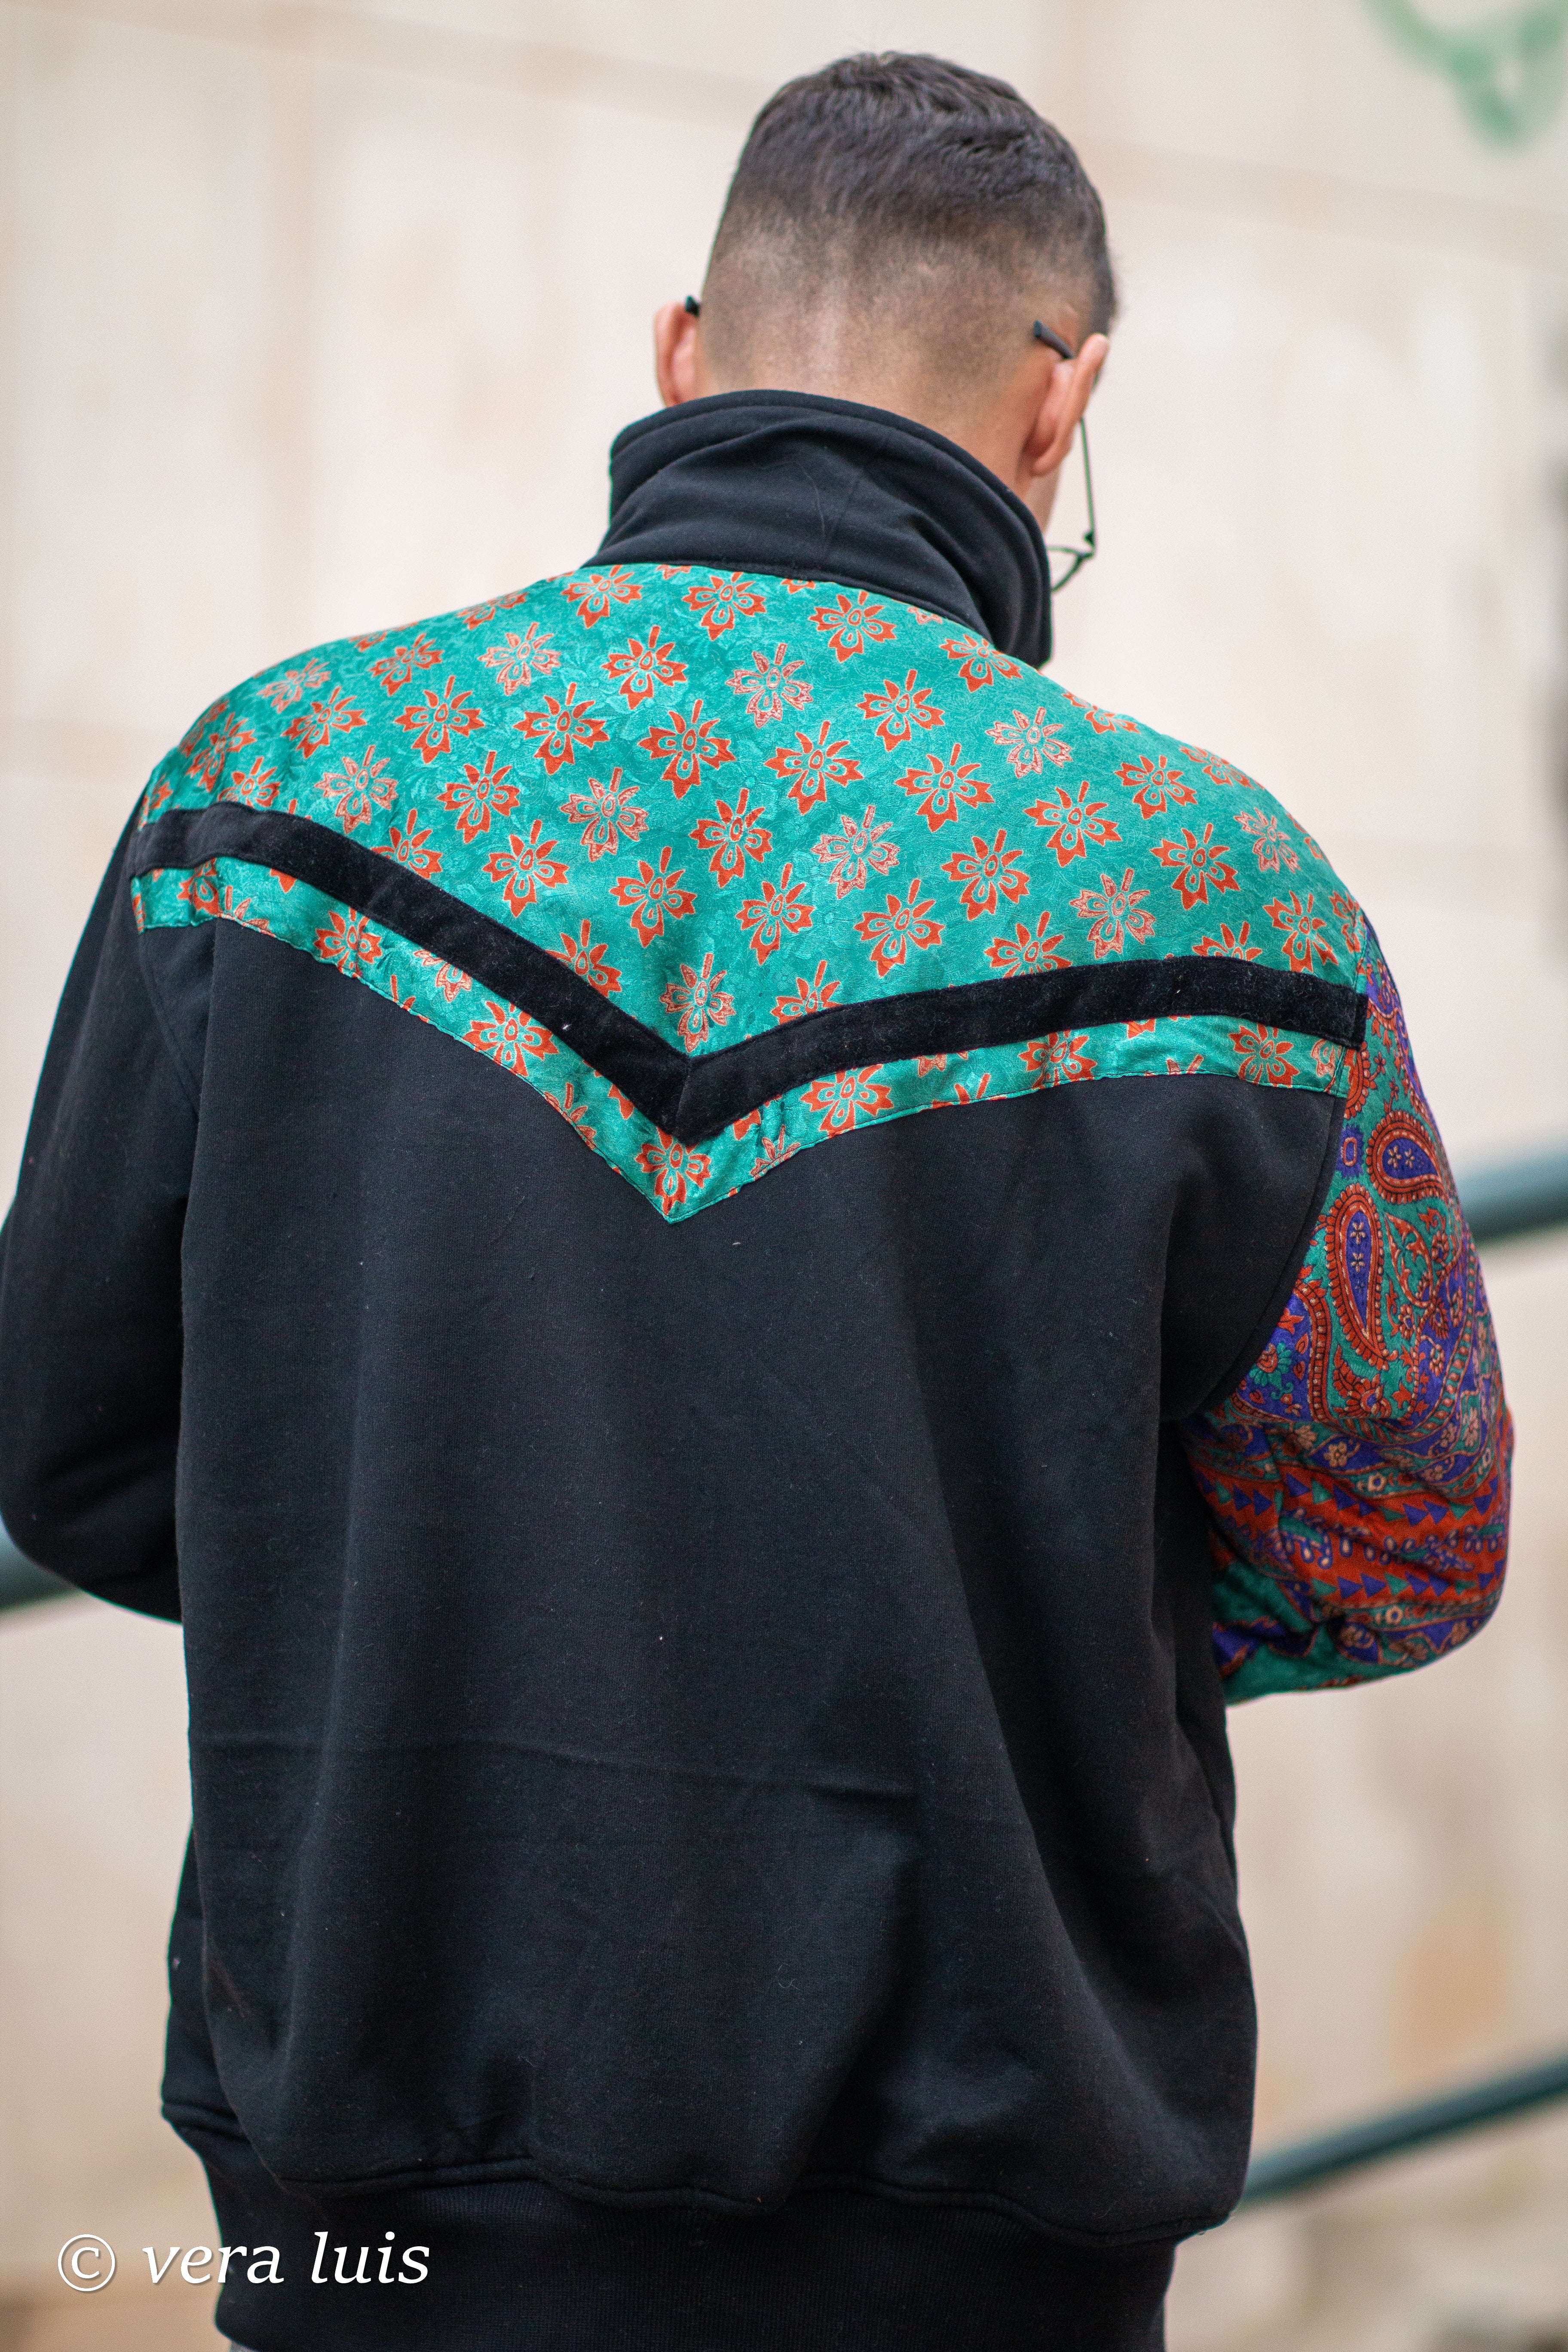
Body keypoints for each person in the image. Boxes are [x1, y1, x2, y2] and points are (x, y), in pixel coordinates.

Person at [0, 51, 1510, 2352]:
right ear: (1062, 404)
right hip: (979, 2240)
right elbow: (1404, 1534)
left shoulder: (266, 803)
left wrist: (453, 1590)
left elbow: (69, 1446)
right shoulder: (1236, 906)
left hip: (366, 2215)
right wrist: (1023, 1613)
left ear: (682, 355)